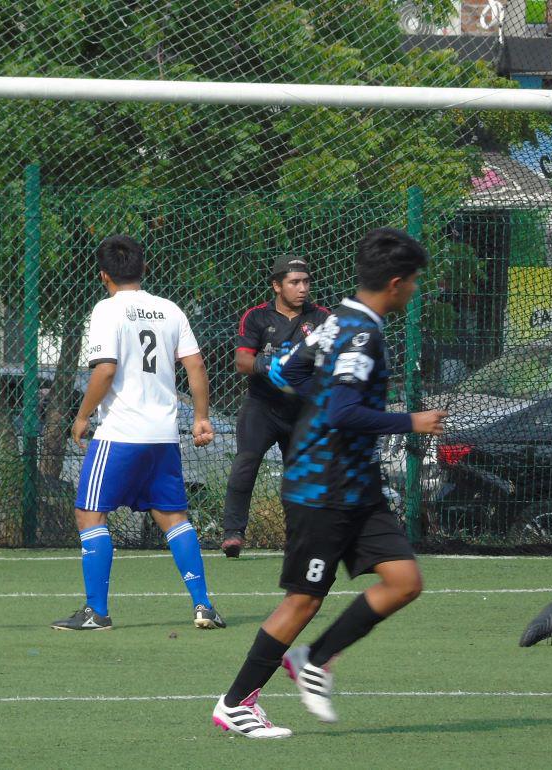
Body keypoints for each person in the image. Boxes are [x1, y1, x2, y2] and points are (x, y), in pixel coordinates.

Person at [211, 227, 449, 738]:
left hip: (355, 485)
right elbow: (342, 410)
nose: (415, 290)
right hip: (322, 490)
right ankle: (235, 703)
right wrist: (411, 421)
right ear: (394, 283)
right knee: (303, 600)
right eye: (413, 281)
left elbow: (285, 372)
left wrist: (310, 416)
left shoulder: (332, 321)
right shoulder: (361, 334)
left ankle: (315, 659)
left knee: (405, 582)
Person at [51, 235, 225, 632]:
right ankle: (204, 605)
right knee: (173, 516)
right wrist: (201, 417)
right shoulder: (169, 309)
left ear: (103, 275)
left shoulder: (106, 309)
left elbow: (105, 370)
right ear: (143, 269)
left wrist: (81, 416)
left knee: (88, 514)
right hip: (162, 435)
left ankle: (96, 612)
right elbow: (195, 366)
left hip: (121, 433)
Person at [222, 256, 330, 558]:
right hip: (263, 406)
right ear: (277, 285)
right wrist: (268, 364)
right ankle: (233, 533)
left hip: (303, 410)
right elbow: (241, 361)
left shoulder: (321, 318)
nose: (302, 288)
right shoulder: (256, 317)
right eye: (295, 282)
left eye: (306, 281)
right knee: (246, 463)